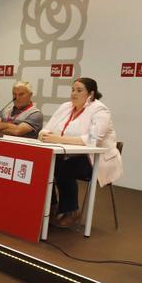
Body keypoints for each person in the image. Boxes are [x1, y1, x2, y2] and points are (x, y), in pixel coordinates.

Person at [38, 77, 123, 228]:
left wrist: (58, 139)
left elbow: (93, 139)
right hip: (67, 155)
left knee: (66, 169)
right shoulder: (65, 106)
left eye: (79, 90)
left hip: (94, 160)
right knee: (44, 167)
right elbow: (47, 127)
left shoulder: (100, 110)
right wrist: (44, 134)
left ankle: (71, 212)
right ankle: (52, 207)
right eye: (72, 90)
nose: (73, 93)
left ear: (91, 94)